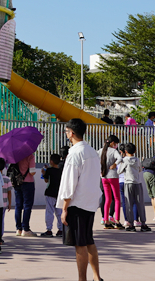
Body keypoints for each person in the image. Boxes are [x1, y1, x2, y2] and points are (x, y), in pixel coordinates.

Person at [58, 118, 102, 281]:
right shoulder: (92, 151)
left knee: (80, 243)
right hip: (90, 202)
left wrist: (64, 208)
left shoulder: (75, 153)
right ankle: (96, 277)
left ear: (72, 133)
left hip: (77, 203)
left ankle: (82, 279)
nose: (67, 134)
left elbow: (70, 183)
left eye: (67, 131)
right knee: (88, 240)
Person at [117, 143, 148, 232]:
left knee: (128, 203)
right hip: (137, 183)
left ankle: (131, 224)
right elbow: (140, 170)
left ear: (125, 151)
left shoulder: (124, 160)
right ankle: (143, 223)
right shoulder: (137, 160)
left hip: (128, 183)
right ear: (135, 151)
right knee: (140, 203)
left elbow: (119, 171)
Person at [99, 135, 122, 229]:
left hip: (103, 177)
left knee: (107, 199)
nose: (116, 145)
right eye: (116, 143)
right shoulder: (113, 151)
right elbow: (120, 158)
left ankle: (106, 220)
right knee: (116, 198)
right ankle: (117, 221)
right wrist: (115, 164)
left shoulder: (100, 151)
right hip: (112, 176)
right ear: (112, 143)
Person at [41, 153, 63, 237]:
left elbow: (46, 180)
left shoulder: (49, 170)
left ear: (51, 161)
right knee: (59, 212)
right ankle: (60, 230)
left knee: (49, 212)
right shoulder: (61, 171)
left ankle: (49, 230)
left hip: (50, 193)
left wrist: (44, 173)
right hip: (59, 193)